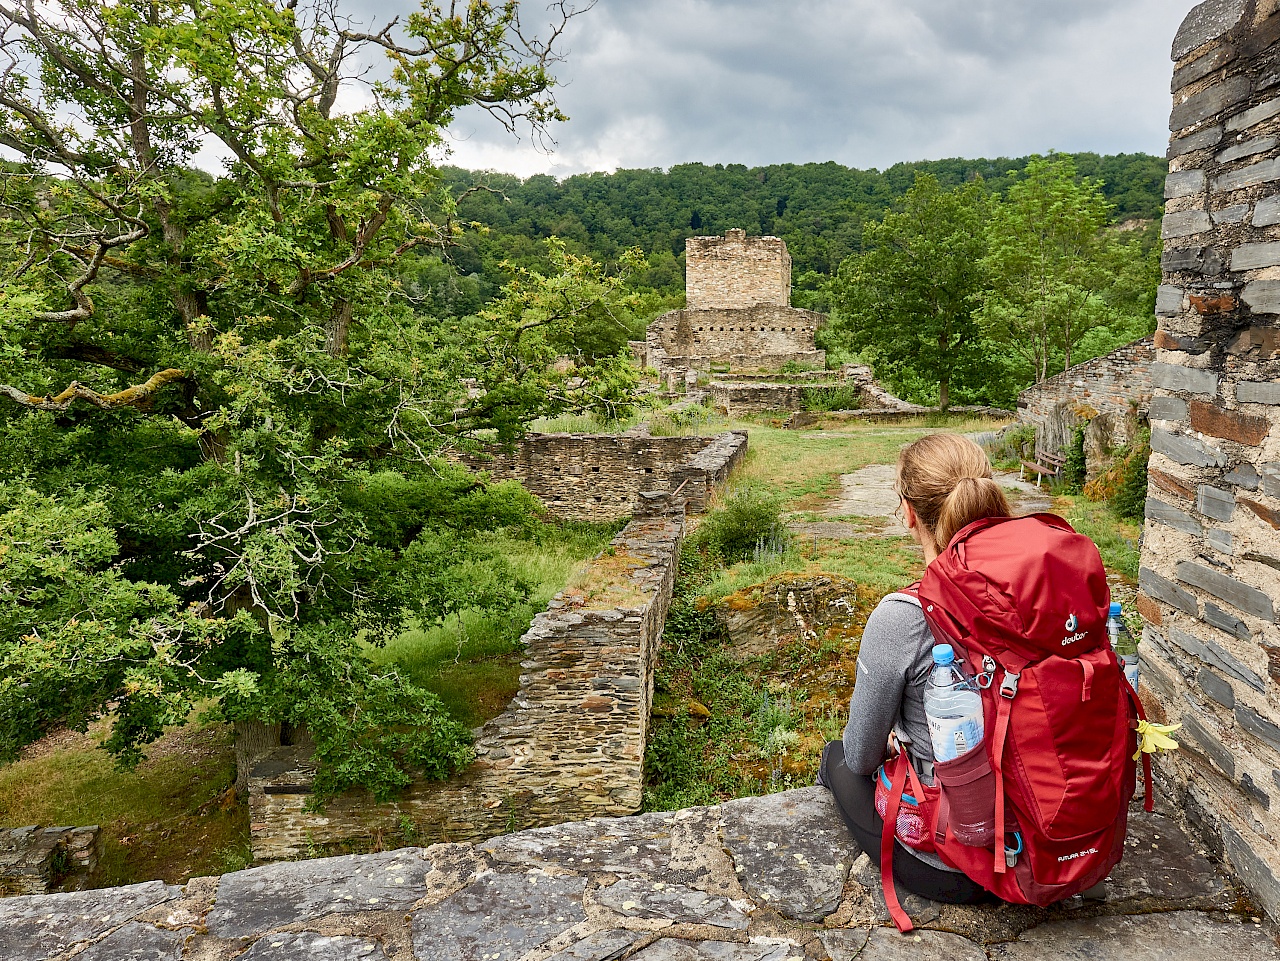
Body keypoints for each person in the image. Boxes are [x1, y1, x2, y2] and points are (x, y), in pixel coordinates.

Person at [817, 432, 1012, 904]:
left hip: (962, 866)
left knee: (836, 759)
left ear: (908, 512)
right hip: (1055, 836)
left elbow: (863, 756)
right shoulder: (1044, 593)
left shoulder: (904, 616)